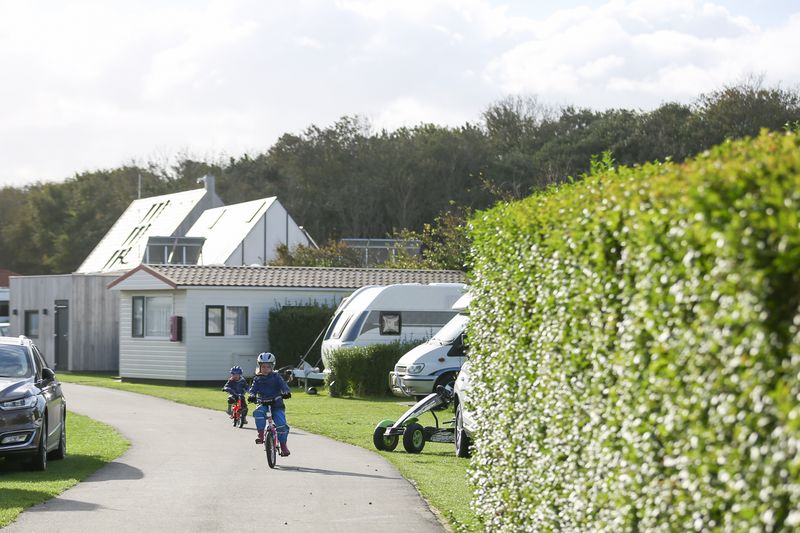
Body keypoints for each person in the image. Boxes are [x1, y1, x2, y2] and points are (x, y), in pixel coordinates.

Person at [248, 352, 292, 455]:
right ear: (259, 367)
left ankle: (283, 445)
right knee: (258, 412)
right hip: (262, 402)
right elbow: (253, 389)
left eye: (268, 367)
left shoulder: (276, 377)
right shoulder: (257, 378)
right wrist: (252, 395)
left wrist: (286, 392)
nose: (265, 369)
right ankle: (260, 434)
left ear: (272, 367)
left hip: (276, 404)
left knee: (281, 425)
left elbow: (283, 385)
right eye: (263, 367)